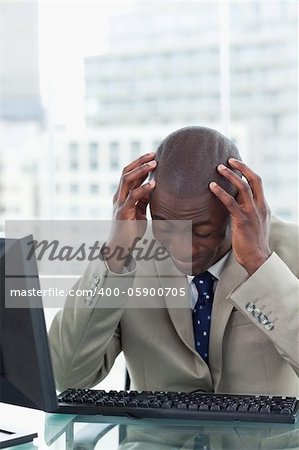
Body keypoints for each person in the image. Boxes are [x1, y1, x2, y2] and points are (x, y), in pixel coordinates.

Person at [49, 126, 299, 396]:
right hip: (155, 439)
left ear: (238, 206)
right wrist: (115, 254)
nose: (184, 249)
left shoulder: (288, 251)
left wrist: (260, 264)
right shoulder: (128, 256)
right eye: (166, 228)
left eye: (202, 231)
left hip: (265, 439)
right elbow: (67, 374)